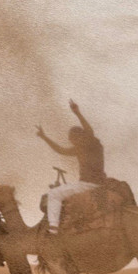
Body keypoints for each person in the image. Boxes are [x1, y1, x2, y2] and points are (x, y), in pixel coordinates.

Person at [36, 99, 107, 234]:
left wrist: (77, 113)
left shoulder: (91, 143)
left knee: (54, 194)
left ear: (80, 136)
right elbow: (60, 150)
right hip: (93, 183)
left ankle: (53, 229)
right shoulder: (83, 147)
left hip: (89, 184)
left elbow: (89, 130)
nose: (72, 142)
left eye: (73, 139)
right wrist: (44, 137)